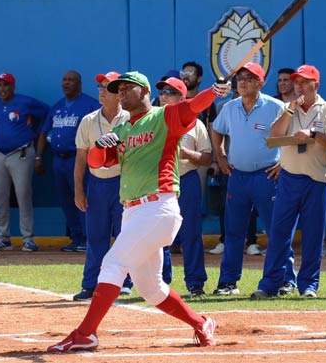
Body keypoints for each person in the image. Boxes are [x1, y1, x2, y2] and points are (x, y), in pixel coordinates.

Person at [46, 71, 230, 353]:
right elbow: (99, 164)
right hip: (132, 210)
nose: (120, 92)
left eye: (127, 88)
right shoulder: (123, 129)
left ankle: (86, 333)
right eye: (118, 89)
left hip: (158, 206)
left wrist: (214, 92)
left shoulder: (163, 116)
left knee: (112, 263)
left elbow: (193, 106)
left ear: (144, 91)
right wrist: (100, 146)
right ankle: (202, 322)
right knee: (150, 288)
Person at [251, 64, 326, 299]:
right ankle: (269, 284)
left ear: (316, 85)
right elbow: (274, 136)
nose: (299, 86)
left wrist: (312, 135)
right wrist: (290, 111)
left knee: (313, 237)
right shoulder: (287, 108)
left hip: (317, 180)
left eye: (304, 81)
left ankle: (309, 285)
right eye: (296, 81)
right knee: (279, 234)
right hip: (289, 178)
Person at [211, 62, 291, 295]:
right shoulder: (229, 107)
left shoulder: (277, 106)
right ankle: (228, 282)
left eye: (249, 77)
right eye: (240, 78)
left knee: (277, 230)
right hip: (238, 177)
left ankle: (286, 279)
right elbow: (217, 130)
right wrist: (221, 156)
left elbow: (292, 135)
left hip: (267, 175)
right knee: (233, 232)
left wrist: (283, 162)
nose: (243, 81)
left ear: (261, 82)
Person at [72, 71, 135, 300]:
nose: (100, 90)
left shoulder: (131, 118)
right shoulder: (88, 120)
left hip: (123, 183)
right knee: (96, 236)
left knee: (124, 235)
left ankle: (125, 282)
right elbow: (80, 158)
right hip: (97, 184)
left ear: (120, 93)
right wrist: (79, 190)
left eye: (106, 87)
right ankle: (90, 284)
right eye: (99, 86)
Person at [157, 76, 210, 297]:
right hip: (159, 183)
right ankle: (161, 283)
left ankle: (195, 283)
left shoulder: (195, 122)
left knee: (191, 234)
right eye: (161, 92)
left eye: (169, 92)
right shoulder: (151, 119)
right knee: (159, 236)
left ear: (182, 97)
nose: (163, 96)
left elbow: (206, 158)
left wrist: (187, 154)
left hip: (186, 179)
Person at [37, 71, 100, 252]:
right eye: (64, 80)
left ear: (79, 83)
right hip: (58, 160)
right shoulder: (56, 107)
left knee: (82, 198)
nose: (66, 83)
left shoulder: (89, 104)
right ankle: (76, 237)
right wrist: (39, 157)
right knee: (66, 200)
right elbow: (43, 131)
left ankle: (89, 239)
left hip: (78, 158)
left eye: (71, 80)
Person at [0, 72, 49, 252]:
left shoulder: (25, 102)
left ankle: (28, 238)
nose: (3, 89)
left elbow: (48, 112)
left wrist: (37, 132)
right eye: (0, 85)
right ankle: (3, 237)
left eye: (6, 85)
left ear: (13, 86)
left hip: (21, 153)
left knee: (23, 195)